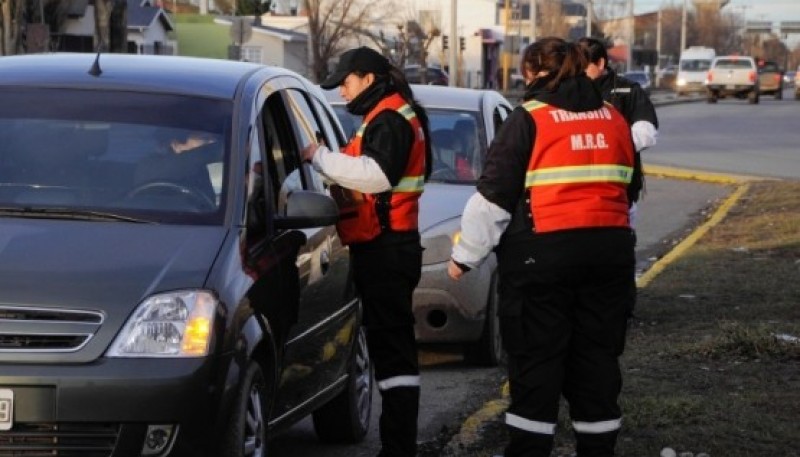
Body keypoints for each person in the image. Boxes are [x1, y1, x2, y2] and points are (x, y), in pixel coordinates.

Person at [447, 37, 636, 457]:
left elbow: (493, 197)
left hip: (542, 261)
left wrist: (464, 258)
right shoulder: (614, 119)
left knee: (537, 363)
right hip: (609, 258)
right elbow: (631, 187)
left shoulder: (529, 119)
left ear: (532, 73)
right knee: (596, 363)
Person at [300, 46, 432, 457]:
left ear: (368, 79)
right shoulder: (385, 116)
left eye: (346, 81)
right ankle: (398, 444)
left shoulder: (391, 119)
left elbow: (375, 176)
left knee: (393, 356)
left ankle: (398, 447)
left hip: (388, 249)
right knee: (390, 352)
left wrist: (319, 158)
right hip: (385, 247)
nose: (341, 91)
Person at [578, 37, 659, 228]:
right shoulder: (568, 92)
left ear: (600, 63)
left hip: (619, 190)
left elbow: (646, 133)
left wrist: (605, 144)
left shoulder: (629, 91)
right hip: (578, 190)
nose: (578, 72)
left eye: (583, 66)